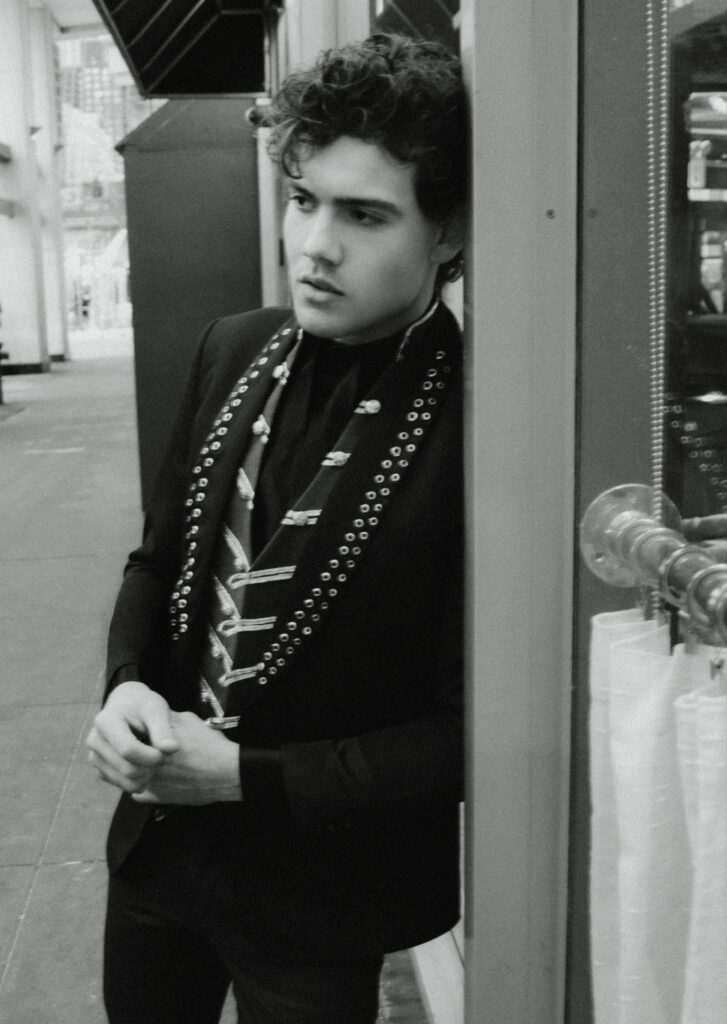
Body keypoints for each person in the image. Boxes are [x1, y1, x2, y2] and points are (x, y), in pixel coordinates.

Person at [86, 32, 468, 1024]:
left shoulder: (480, 426)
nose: (315, 245)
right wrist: (125, 683)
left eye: (363, 214)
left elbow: (465, 732)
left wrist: (244, 778)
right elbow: (158, 560)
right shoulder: (233, 348)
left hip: (322, 896)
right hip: (161, 851)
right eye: (303, 200)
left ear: (448, 232)